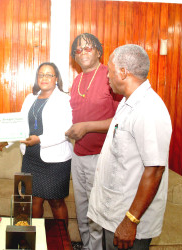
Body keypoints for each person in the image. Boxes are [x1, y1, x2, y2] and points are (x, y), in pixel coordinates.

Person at [88, 44, 172, 250]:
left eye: (110, 70)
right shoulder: (127, 104)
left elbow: (154, 170)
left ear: (123, 72)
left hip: (129, 220)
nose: (107, 76)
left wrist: (131, 220)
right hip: (116, 214)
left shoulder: (149, 109)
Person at [65, 33, 122, 250]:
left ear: (98, 51)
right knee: (82, 210)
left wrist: (88, 126)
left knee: (97, 214)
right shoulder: (77, 80)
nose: (83, 53)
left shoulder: (110, 75)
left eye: (88, 48)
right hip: (77, 155)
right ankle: (87, 247)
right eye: (78, 50)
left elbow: (121, 121)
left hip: (102, 156)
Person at [19, 62, 73, 226]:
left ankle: (62, 241)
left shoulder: (65, 99)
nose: (44, 78)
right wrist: (3, 141)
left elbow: (67, 130)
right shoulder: (30, 98)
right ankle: (36, 238)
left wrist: (40, 139)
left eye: (49, 74)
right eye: (41, 74)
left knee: (56, 202)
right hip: (31, 157)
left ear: (56, 78)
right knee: (34, 200)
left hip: (55, 160)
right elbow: (19, 125)